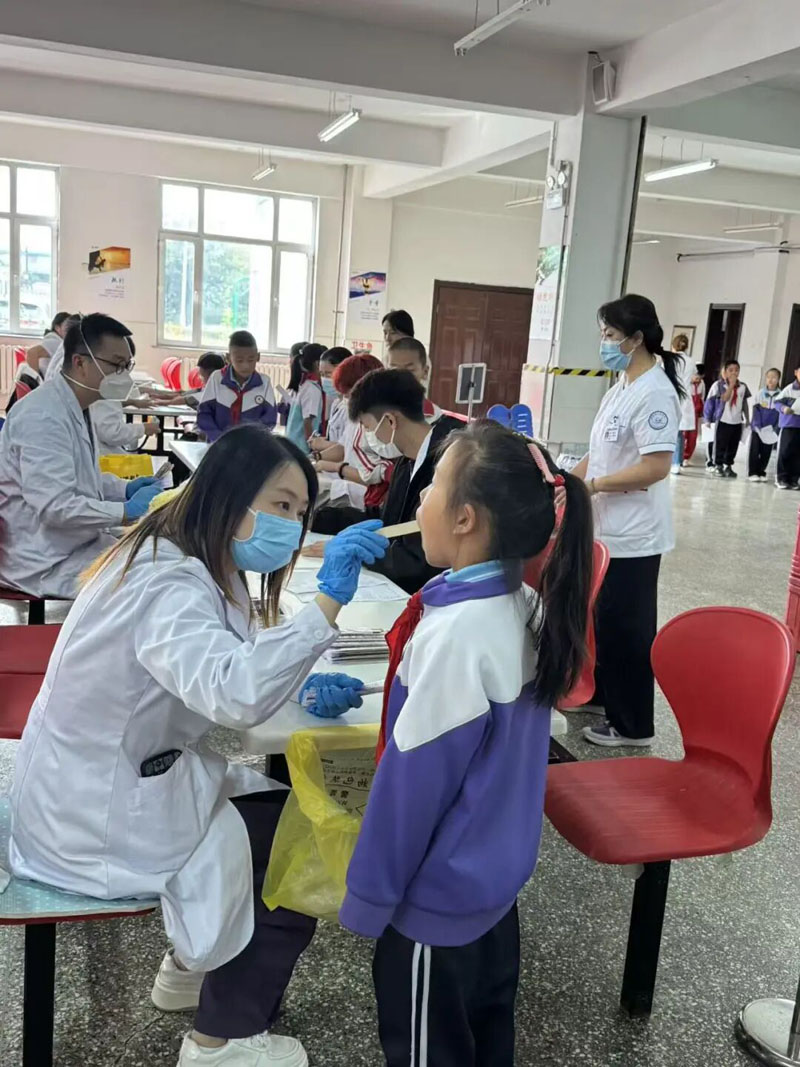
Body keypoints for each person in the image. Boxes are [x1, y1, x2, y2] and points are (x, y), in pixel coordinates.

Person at [8, 424, 388, 1067]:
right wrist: (324, 607)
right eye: (281, 505)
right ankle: (222, 1040)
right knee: (299, 850)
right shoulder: (169, 583)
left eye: (300, 512)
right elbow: (232, 693)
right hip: (97, 812)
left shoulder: (189, 557)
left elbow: (220, 658)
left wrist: (300, 678)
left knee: (278, 814)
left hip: (114, 778)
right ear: (229, 496)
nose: (291, 526)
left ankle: (189, 975)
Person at [337, 423, 593, 1067]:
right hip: (492, 889)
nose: (419, 499)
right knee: (486, 1040)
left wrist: (368, 896)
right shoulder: (524, 603)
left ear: (464, 519)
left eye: (431, 488)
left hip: (436, 903)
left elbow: (412, 788)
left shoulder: (457, 635)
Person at [571, 294, 682, 748]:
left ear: (636, 338)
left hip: (635, 535)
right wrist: (568, 483)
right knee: (606, 623)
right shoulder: (622, 385)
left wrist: (594, 486)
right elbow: (599, 453)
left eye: (611, 335)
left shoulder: (655, 392)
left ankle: (633, 725)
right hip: (607, 528)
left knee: (629, 630)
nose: (604, 342)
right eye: (603, 333)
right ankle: (603, 698)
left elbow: (656, 467)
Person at [0, 313, 163, 598]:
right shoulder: (43, 416)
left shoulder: (77, 406)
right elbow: (56, 506)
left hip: (72, 543)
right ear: (80, 363)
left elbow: (79, 477)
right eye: (116, 365)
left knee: (165, 559)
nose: (123, 376)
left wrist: (123, 489)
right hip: (43, 560)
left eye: (127, 366)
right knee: (155, 585)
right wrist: (125, 511)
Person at [314, 370, 463, 594]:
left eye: (367, 427)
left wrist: (354, 552)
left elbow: (419, 562)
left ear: (391, 420)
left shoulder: (450, 464)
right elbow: (387, 521)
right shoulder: (407, 460)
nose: (368, 437)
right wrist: (317, 518)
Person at [311, 353, 390, 511]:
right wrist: (316, 458)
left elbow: (375, 475)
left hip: (365, 496)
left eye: (349, 394)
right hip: (350, 486)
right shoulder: (358, 417)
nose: (347, 399)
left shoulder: (379, 424)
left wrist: (336, 467)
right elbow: (344, 447)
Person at [196, 331, 276, 443]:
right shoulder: (217, 378)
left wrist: (251, 438)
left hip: (251, 445)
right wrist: (219, 438)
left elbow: (269, 419)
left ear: (258, 357)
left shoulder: (264, 382)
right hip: (218, 444)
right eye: (239, 360)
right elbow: (204, 414)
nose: (245, 365)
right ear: (228, 358)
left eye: (251, 360)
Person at [703, 360, 751, 478]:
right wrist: (707, 419)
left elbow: (744, 403)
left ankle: (728, 465)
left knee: (733, 444)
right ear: (724, 372)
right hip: (722, 419)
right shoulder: (718, 385)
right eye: (731, 370)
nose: (734, 373)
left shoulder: (743, 386)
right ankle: (717, 465)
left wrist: (747, 418)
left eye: (736, 370)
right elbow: (721, 399)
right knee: (719, 443)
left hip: (736, 420)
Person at [386, 337, 441, 422]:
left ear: (425, 372)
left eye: (409, 370)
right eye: (394, 370)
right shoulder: (374, 413)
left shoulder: (436, 417)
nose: (401, 377)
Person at [285, 343, 327, 452]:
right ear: (318, 364)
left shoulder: (304, 384)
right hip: (302, 448)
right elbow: (308, 422)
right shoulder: (312, 389)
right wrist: (313, 447)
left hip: (293, 444)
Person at [309, 346, 352, 451]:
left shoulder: (351, 408)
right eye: (322, 374)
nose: (324, 379)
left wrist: (323, 445)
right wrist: (321, 441)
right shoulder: (336, 403)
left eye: (328, 374)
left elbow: (349, 447)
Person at [748, 368, 782, 482]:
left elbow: (780, 414)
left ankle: (761, 471)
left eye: (774, 377)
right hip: (758, 428)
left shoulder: (781, 395)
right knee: (755, 450)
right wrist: (757, 425)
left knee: (766, 451)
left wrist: (776, 428)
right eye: (768, 377)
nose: (771, 380)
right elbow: (756, 410)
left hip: (771, 429)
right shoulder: (760, 393)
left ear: (778, 379)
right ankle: (752, 472)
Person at [25, 311, 78, 377]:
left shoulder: (55, 340)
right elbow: (31, 352)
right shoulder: (54, 341)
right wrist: (36, 378)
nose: (70, 330)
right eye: (67, 326)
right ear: (57, 328)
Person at [671, 336, 695, 475]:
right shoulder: (691, 361)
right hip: (685, 398)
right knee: (680, 433)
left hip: (672, 396)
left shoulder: (670, 359)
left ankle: (674, 462)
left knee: (674, 432)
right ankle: (677, 462)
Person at [775, 365, 800, 489]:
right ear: (796, 372)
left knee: (797, 453)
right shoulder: (790, 389)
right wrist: (784, 408)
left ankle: (794, 479)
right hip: (789, 425)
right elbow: (777, 402)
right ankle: (782, 478)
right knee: (785, 451)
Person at [684, 363, 706, 464]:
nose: (697, 379)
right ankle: (679, 456)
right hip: (685, 411)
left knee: (692, 436)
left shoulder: (702, 384)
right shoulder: (686, 382)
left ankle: (687, 456)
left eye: (700, 377)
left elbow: (702, 398)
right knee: (683, 434)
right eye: (696, 375)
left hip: (695, 413)